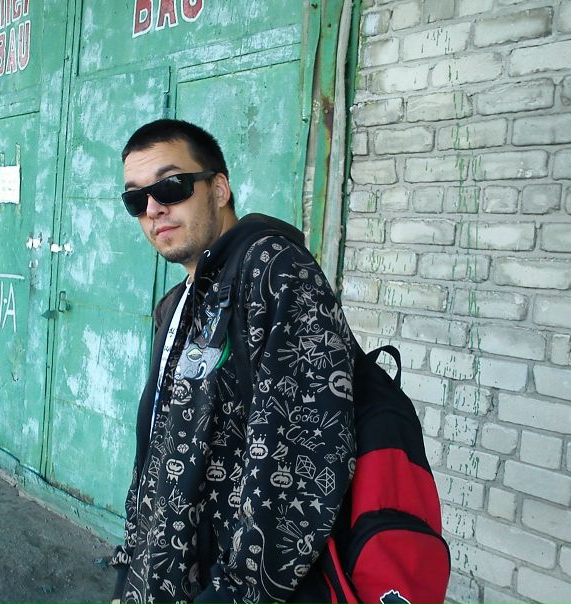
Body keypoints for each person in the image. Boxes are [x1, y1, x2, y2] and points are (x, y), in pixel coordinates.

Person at [110, 119, 356, 604]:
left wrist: (232, 592)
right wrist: (130, 571)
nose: (154, 208)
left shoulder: (274, 271)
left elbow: (306, 458)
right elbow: (157, 455)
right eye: (136, 199)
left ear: (219, 189)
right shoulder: (176, 305)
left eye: (171, 186)